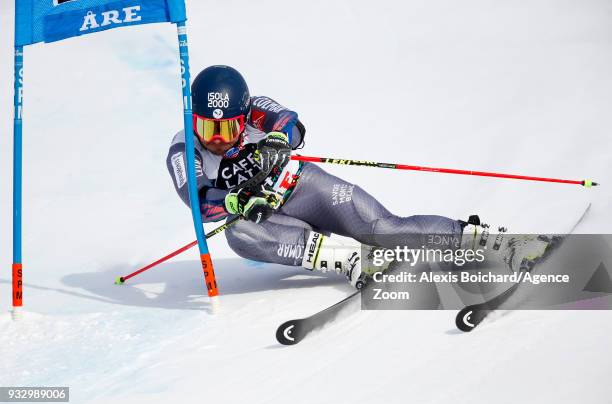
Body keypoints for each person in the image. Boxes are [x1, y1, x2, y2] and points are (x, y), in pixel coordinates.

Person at [167, 65, 553, 288]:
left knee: (384, 229)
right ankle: (351, 259)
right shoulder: (183, 148)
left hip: (302, 188)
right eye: (207, 128)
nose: (216, 140)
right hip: (264, 217)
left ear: (242, 113)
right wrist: (234, 201)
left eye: (227, 129)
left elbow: (293, 124)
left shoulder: (256, 108)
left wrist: (274, 142)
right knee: (239, 233)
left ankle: (496, 242)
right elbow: (197, 201)